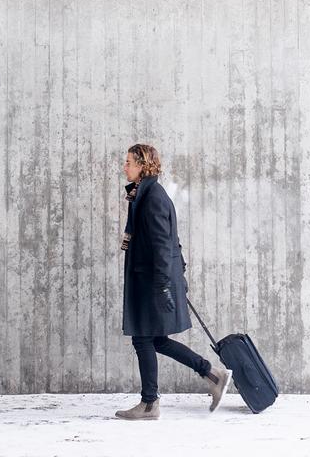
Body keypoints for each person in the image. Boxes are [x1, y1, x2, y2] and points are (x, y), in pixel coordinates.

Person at [114, 143, 233, 421]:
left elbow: (162, 244)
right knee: (155, 339)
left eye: (129, 161)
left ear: (143, 165)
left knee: (143, 338)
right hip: (151, 278)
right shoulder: (144, 193)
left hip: (152, 280)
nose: (125, 166)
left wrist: (164, 285)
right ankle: (212, 374)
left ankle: (149, 403)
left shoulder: (152, 196)